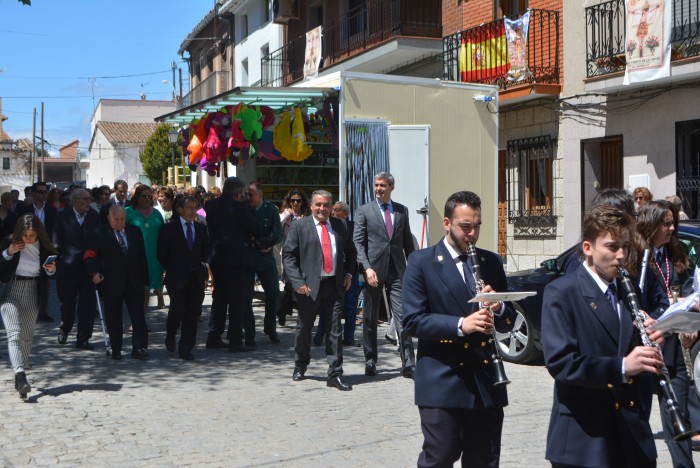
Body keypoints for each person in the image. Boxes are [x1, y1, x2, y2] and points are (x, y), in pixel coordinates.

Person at [542, 204, 664, 467]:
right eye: (611, 246)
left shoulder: (627, 287)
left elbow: (626, 346)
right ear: (588, 248)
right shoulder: (561, 292)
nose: (621, 255)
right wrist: (622, 366)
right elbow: (562, 363)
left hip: (631, 432)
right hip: (586, 439)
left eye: (625, 246)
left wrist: (649, 340)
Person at [402, 190, 515, 466]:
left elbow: (508, 318)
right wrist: (461, 325)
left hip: (486, 380)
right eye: (465, 226)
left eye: (477, 226)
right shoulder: (421, 262)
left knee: (484, 459)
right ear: (447, 223)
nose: (472, 234)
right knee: (439, 457)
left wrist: (499, 308)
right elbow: (412, 320)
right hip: (442, 379)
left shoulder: (490, 262)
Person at [638, 199, 699, 466]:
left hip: (676, 344)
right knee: (638, 414)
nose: (672, 228)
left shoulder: (676, 254)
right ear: (650, 225)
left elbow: (689, 290)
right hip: (644, 345)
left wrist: (690, 321)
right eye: (666, 223)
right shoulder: (638, 257)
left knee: (678, 412)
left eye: (673, 222)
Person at [282, 190, 356, 391]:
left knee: (335, 331)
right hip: (308, 288)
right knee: (304, 329)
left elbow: (351, 251)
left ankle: (335, 373)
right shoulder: (300, 226)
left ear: (331, 207)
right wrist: (297, 282)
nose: (322, 209)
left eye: (326, 205)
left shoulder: (340, 226)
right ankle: (300, 364)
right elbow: (288, 256)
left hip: (334, 285)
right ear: (312, 206)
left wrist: (349, 273)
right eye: (318, 205)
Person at [353, 171, 415, 378]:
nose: (378, 189)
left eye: (382, 185)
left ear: (391, 188)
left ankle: (408, 363)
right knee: (369, 318)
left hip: (397, 271)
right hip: (373, 271)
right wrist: (366, 267)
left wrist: (414, 270)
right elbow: (358, 243)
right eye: (376, 185)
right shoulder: (364, 211)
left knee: (403, 318)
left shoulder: (401, 211)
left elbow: (408, 244)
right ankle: (370, 361)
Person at [0, 214, 57, 399]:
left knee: (26, 336)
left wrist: (51, 270)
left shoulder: (45, 248)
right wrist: (9, 252)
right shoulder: (10, 242)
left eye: (32, 236)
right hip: (11, 291)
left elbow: (52, 273)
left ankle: (21, 368)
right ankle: (20, 373)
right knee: (14, 333)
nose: (28, 239)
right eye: (25, 235)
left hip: (33, 291)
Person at [205, 176, 261, 352]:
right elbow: (256, 227)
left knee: (219, 298)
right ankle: (235, 339)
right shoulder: (239, 207)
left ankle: (214, 336)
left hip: (217, 257)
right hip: (237, 259)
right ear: (237, 193)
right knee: (237, 300)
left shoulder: (211, 205)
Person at [85, 205, 149, 360]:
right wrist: (94, 272)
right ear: (109, 218)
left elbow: (141, 256)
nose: (120, 223)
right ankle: (116, 348)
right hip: (111, 281)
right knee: (113, 317)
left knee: (138, 316)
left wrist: (145, 279)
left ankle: (139, 347)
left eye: (122, 219)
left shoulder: (135, 231)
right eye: (116, 219)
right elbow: (90, 254)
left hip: (133, 281)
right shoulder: (99, 233)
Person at [157, 196, 209, 361]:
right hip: (176, 276)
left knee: (193, 312)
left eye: (195, 207)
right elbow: (161, 253)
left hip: (195, 277)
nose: (193, 211)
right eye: (189, 207)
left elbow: (205, 251)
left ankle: (186, 347)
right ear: (180, 209)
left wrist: (202, 267)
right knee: (178, 309)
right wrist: (172, 267)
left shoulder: (201, 228)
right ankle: (171, 333)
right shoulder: (169, 228)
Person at [55, 188, 100, 349]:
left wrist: (96, 265)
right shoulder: (62, 216)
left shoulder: (94, 217)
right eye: (85, 199)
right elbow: (56, 242)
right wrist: (56, 262)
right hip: (68, 267)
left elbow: (97, 242)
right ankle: (65, 327)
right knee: (67, 303)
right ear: (75, 201)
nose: (89, 202)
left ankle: (83, 338)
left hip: (88, 267)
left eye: (90, 199)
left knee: (87, 305)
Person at [314, 200, 361, 346]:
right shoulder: (328, 226)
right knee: (328, 306)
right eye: (332, 209)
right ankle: (320, 336)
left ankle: (349, 337)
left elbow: (354, 250)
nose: (333, 211)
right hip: (332, 273)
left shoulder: (353, 227)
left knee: (351, 306)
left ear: (345, 213)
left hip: (350, 272)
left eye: (336, 209)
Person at [246, 182, 283, 344]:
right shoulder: (243, 209)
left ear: (260, 196)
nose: (247, 197)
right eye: (246, 194)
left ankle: (271, 327)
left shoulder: (270, 210)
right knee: (246, 296)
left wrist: (268, 244)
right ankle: (249, 332)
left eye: (250, 195)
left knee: (274, 292)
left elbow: (278, 233)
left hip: (265, 258)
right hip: (246, 258)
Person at [17, 181, 58, 323]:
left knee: (45, 281)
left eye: (45, 192)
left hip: (48, 250)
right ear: (33, 194)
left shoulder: (52, 210)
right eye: (40, 192)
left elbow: (55, 230)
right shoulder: (24, 210)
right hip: (30, 251)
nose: (44, 194)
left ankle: (43, 311)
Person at [126, 184, 165, 311]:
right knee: (141, 289)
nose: (147, 199)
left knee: (150, 285)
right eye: (144, 196)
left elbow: (164, 234)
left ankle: (140, 319)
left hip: (154, 256)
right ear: (137, 197)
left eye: (150, 196)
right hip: (136, 255)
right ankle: (138, 320)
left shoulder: (157, 213)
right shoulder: (128, 212)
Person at [277, 188, 311, 326]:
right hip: (289, 254)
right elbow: (277, 226)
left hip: (304, 254)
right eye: (293, 200)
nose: (295, 203)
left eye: (298, 200)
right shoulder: (286, 214)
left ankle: (300, 317)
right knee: (290, 284)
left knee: (302, 283)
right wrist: (285, 214)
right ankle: (283, 310)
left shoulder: (307, 215)